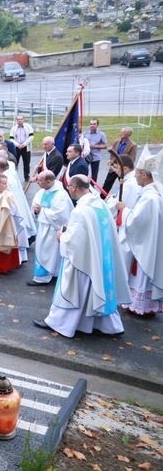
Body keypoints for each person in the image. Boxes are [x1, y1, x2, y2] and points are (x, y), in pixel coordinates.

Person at [34, 175, 131, 338]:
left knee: (74, 291)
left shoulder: (80, 210)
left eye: (69, 187)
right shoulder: (100, 204)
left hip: (83, 261)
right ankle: (109, 325)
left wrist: (61, 237)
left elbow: (74, 242)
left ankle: (59, 323)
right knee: (99, 289)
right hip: (101, 258)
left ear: (73, 187)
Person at [115, 146, 163, 316]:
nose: (134, 176)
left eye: (136, 173)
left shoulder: (150, 198)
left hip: (145, 245)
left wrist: (123, 209)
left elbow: (136, 221)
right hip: (147, 241)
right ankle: (138, 304)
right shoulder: (153, 193)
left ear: (144, 174)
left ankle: (140, 306)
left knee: (142, 273)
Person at [28, 171, 73, 286]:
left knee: (51, 253)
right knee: (43, 251)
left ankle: (43, 277)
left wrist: (42, 210)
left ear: (49, 182)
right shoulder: (42, 191)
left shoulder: (61, 195)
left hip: (53, 229)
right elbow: (35, 202)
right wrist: (36, 209)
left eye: (40, 180)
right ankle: (49, 273)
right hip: (42, 226)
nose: (37, 182)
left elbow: (60, 214)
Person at [102, 127, 138, 195]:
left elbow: (132, 159)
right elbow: (112, 154)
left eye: (122, 132)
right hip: (113, 168)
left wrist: (121, 166)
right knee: (107, 184)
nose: (120, 133)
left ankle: (124, 197)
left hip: (122, 169)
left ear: (128, 134)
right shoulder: (116, 142)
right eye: (120, 131)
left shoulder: (133, 145)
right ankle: (101, 198)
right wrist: (111, 162)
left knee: (125, 185)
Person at [10, 115, 34, 181]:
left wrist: (24, 144)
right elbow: (11, 138)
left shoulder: (28, 127)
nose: (20, 120)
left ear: (23, 119)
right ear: (16, 120)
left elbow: (31, 137)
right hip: (16, 148)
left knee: (26, 163)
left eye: (21, 119)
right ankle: (14, 175)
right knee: (15, 162)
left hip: (26, 148)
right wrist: (18, 145)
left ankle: (26, 176)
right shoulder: (14, 128)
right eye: (18, 119)